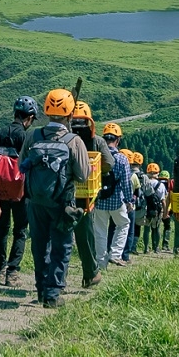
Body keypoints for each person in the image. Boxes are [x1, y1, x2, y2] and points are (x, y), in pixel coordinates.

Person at [20, 88, 90, 308]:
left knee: (39, 244)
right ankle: (52, 293)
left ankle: (41, 288)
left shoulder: (34, 135)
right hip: (62, 202)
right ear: (70, 113)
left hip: (35, 200)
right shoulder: (73, 141)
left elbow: (23, 162)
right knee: (61, 246)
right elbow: (83, 174)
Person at [0, 96, 37, 286]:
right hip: (20, 191)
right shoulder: (27, 137)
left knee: (2, 230)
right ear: (30, 118)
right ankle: (12, 272)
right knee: (20, 231)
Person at [67, 99, 115, 287]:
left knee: (61, 234)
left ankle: (56, 279)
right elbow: (109, 164)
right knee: (86, 235)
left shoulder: (66, 137)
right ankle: (90, 272)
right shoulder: (97, 141)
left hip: (64, 190)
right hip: (86, 193)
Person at [93, 123, 133, 267]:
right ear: (118, 140)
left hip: (100, 200)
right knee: (123, 224)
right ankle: (115, 254)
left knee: (100, 232)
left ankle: (100, 262)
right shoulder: (122, 159)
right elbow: (127, 183)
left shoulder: (97, 157)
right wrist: (129, 201)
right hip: (116, 200)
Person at [141, 164, 166, 254]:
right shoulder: (161, 185)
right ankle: (156, 247)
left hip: (146, 208)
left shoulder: (144, 183)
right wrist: (165, 212)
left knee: (146, 229)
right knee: (156, 229)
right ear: (157, 173)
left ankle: (146, 248)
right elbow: (163, 200)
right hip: (157, 209)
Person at [157, 170, 174, 251]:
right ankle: (165, 245)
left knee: (157, 227)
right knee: (167, 227)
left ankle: (155, 245)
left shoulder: (158, 183)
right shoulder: (169, 184)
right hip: (168, 209)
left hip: (158, 208)